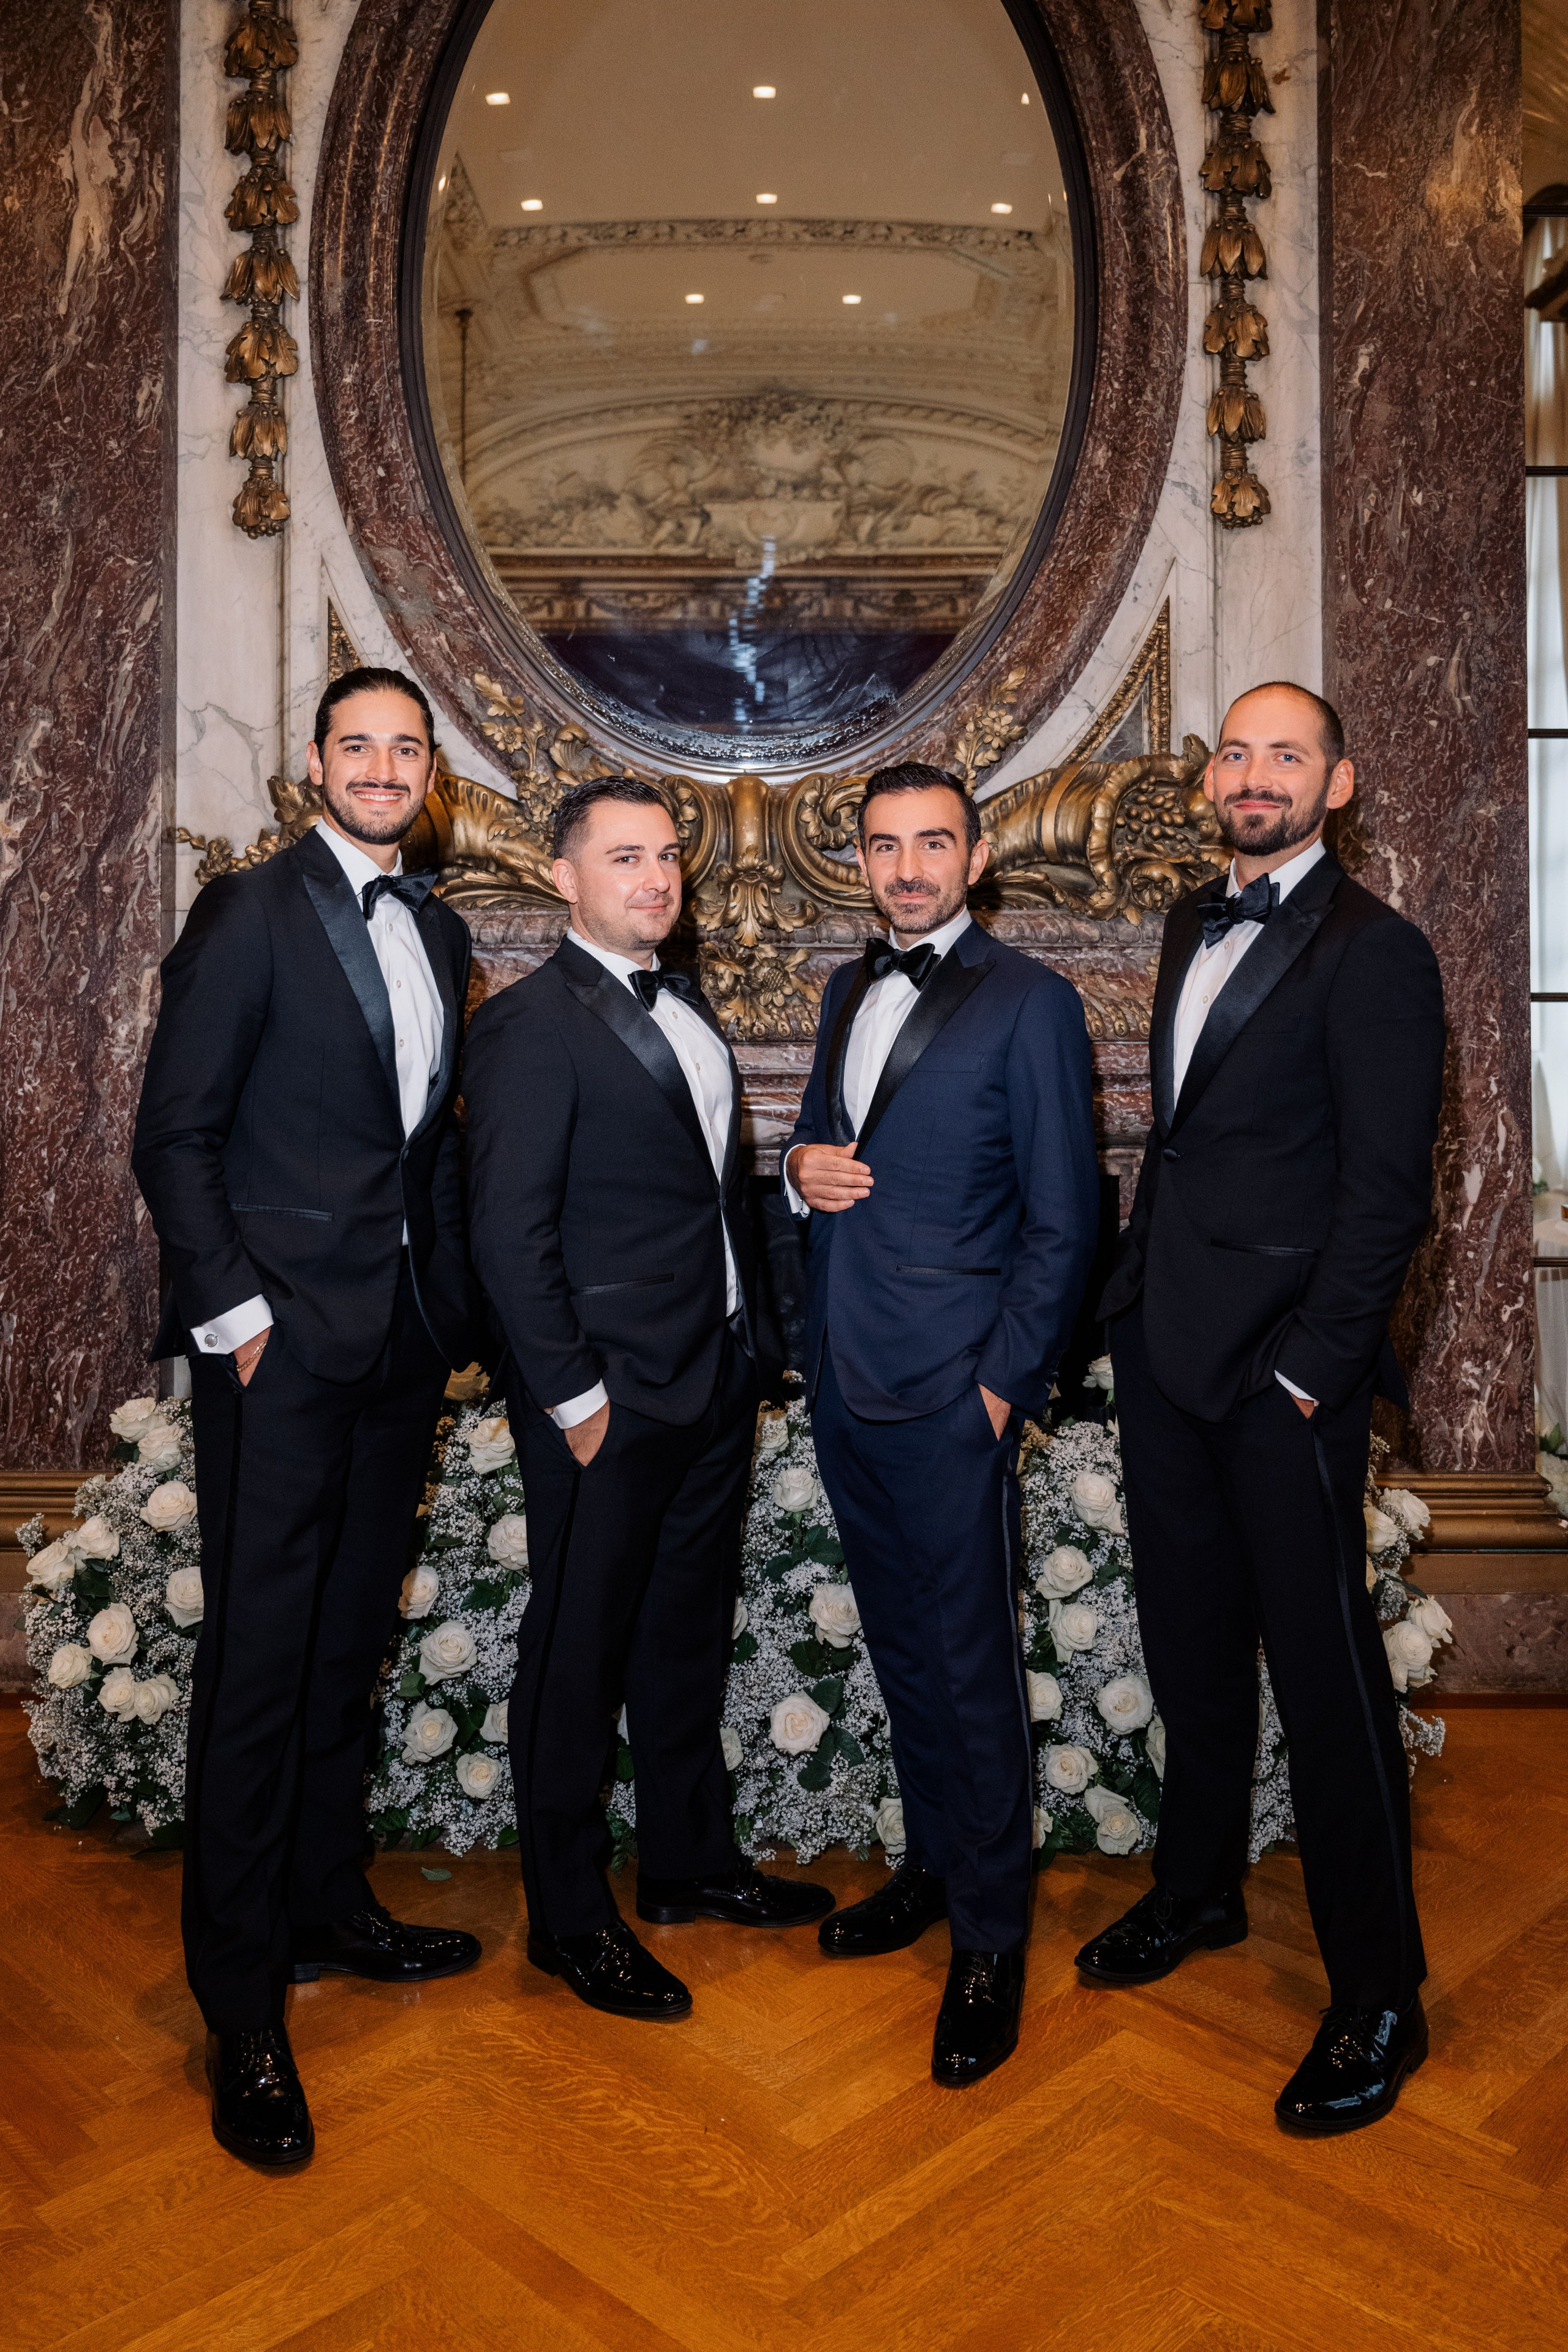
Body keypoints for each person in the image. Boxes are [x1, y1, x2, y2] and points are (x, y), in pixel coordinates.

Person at [1082, 680, 1446, 2137]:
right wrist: (1125, 1302)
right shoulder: (1191, 920)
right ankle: (1195, 1892)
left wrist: (1313, 1370)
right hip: (1167, 1352)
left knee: (1327, 1683)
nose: (1251, 774)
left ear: (1336, 784)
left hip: (1282, 1380)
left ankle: (1379, 1997)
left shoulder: (1377, 954)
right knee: (1186, 1647)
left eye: (1283, 755)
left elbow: (1385, 1198)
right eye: (1233, 751)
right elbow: (1186, 1142)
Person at [132, 666, 482, 2169]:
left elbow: (421, 1154)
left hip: (397, 1347)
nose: (385, 767)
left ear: (429, 779)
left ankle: (330, 1905)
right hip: (275, 1350)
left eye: (408, 749)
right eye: (361, 746)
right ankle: (240, 2003)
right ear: (317, 768)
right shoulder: (249, 915)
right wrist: (240, 1319)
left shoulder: (443, 927)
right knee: (264, 1661)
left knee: (349, 1642)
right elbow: (176, 1135)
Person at [464, 778, 833, 2024]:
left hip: (712, 1380)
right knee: (576, 1660)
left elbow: (708, 1199)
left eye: (666, 855)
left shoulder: (687, 1009)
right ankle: (570, 1922)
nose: (656, 877)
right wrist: (571, 1397)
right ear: (560, 877)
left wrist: (754, 1349)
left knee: (682, 1640)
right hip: (605, 1401)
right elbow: (508, 1234)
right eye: (624, 857)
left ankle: (686, 1865)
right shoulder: (527, 1024)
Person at [783, 762, 1099, 2087]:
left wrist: (999, 1388)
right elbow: (817, 1144)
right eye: (881, 846)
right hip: (846, 1377)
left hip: (952, 1389)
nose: (906, 866)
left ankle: (990, 1940)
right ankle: (928, 1867)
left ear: (974, 859)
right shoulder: (845, 989)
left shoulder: (1032, 1004)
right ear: (858, 863)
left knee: (968, 1667)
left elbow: (1066, 1217)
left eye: (931, 844)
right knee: (905, 1651)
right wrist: (797, 1170)